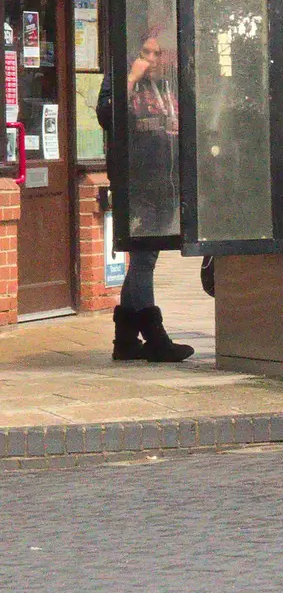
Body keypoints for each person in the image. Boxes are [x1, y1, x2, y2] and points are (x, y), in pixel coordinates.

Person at [98, 37, 193, 363]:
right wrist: (131, 78)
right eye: (146, 53)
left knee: (144, 256)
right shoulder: (121, 79)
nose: (152, 59)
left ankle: (124, 340)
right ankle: (154, 337)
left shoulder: (166, 85)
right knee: (144, 256)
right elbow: (106, 115)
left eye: (157, 54)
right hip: (135, 180)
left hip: (164, 180)